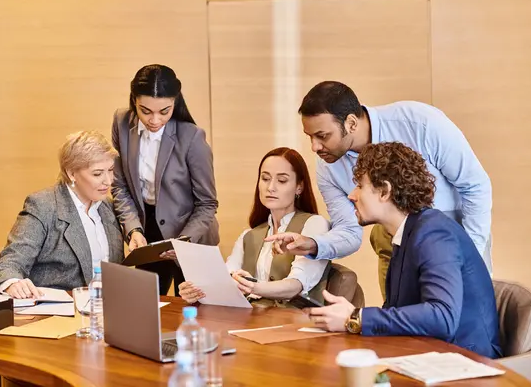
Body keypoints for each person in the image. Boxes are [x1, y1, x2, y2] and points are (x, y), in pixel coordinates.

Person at [266, 81, 492, 299]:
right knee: (399, 328)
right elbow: (349, 230)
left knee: (458, 324)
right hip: (393, 244)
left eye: (323, 136)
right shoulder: (327, 166)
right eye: (310, 137)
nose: (314, 147)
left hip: (454, 235)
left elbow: (475, 187)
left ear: (351, 123)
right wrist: (313, 244)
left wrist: (468, 256)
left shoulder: (420, 123)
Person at [306, 142, 501, 358]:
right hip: (430, 355)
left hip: (468, 363)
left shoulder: (434, 232)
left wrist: (356, 316)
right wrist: (353, 319)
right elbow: (396, 312)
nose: (352, 195)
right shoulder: (406, 233)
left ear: (385, 191)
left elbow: (442, 317)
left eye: (360, 185)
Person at [111, 64, 219, 296]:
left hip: (190, 235)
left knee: (192, 311)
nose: (154, 120)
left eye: (164, 111)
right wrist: (133, 229)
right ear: (134, 100)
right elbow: (120, 185)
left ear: (175, 103)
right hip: (147, 232)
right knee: (146, 306)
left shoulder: (192, 137)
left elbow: (207, 204)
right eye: (145, 111)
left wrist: (182, 243)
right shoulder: (121, 123)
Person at [179, 147, 331, 307]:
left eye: (282, 181)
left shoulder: (315, 225)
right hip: (253, 320)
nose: (270, 187)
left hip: (296, 322)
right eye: (265, 178)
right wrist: (197, 291)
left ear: (299, 187)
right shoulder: (248, 235)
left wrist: (254, 287)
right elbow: (226, 278)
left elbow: (296, 285)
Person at [0, 131, 125, 298]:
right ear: (71, 173)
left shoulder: (108, 207)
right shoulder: (44, 206)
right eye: (97, 174)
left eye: (111, 170)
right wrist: (12, 283)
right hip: (57, 314)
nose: (108, 181)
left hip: (104, 310)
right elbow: (9, 264)